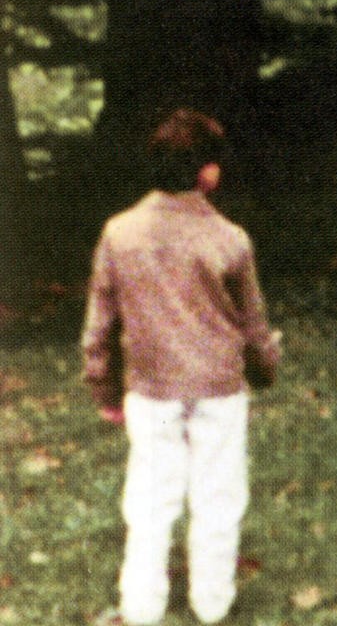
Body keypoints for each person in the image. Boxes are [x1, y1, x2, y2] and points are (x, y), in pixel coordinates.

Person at [81, 108, 281, 625]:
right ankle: (212, 603)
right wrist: (264, 369)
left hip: (151, 390)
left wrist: (104, 389)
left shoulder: (118, 233)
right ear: (207, 172)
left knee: (149, 498)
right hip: (218, 389)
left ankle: (140, 607)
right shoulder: (230, 238)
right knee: (219, 493)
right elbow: (254, 324)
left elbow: (99, 324)